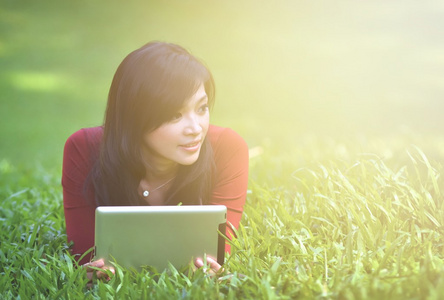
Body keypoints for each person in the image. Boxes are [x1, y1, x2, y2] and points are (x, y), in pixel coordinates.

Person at [61, 41, 249, 282]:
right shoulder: (84, 148)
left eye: (201, 108)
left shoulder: (227, 148)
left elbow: (218, 258)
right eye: (174, 115)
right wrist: (93, 273)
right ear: (134, 117)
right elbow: (86, 260)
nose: (195, 128)